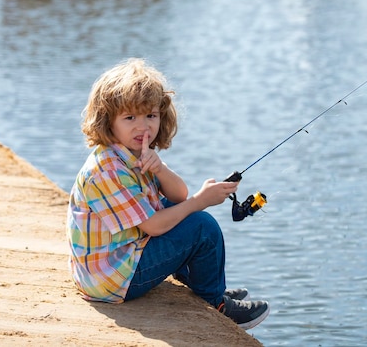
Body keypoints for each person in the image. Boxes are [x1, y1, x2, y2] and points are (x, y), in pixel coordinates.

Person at [66, 58, 270, 330]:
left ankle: (204, 284)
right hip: (109, 280)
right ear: (108, 121)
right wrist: (200, 202)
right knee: (201, 226)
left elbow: (179, 195)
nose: (143, 127)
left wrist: (160, 169)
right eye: (130, 118)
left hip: (114, 265)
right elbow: (154, 225)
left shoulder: (135, 153)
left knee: (175, 208)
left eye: (150, 115)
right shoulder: (107, 169)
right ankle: (215, 301)